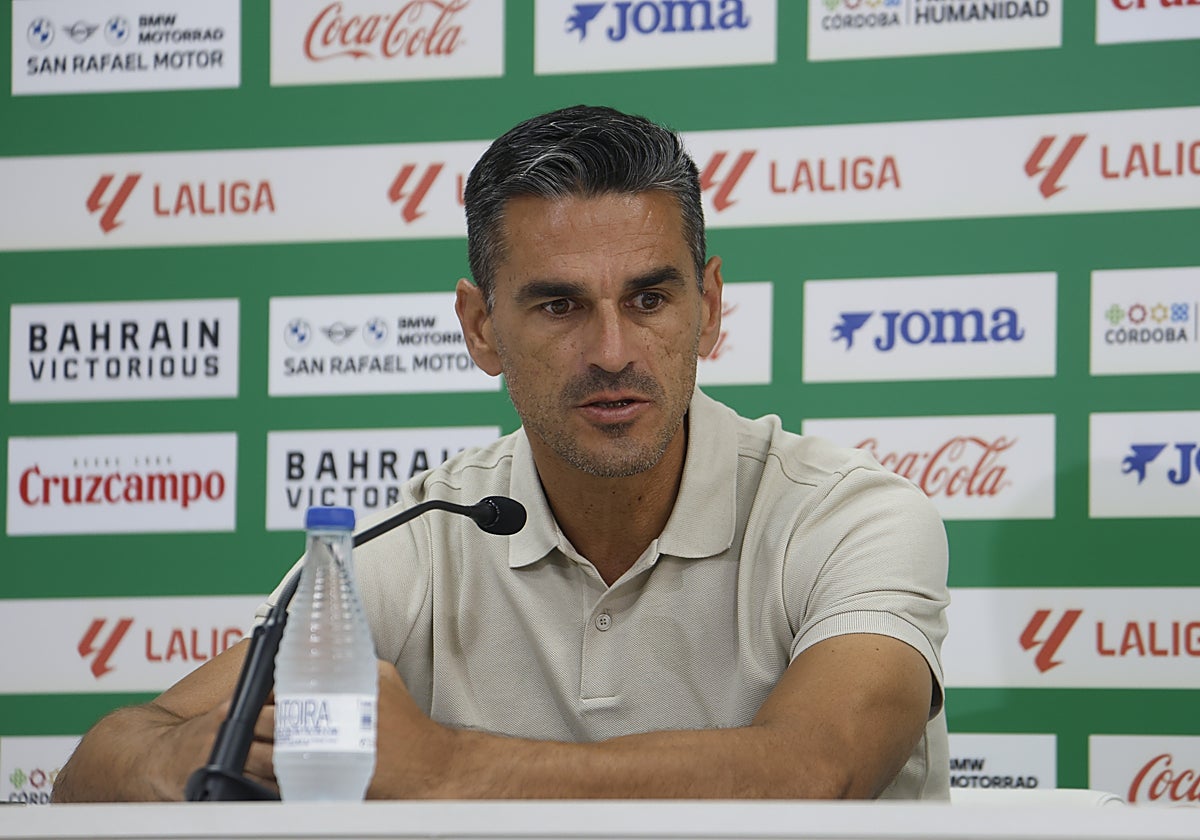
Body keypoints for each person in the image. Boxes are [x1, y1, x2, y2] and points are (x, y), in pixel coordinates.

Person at [53, 104, 950, 802]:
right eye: (559, 306)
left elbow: (816, 768)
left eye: (648, 300)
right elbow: (100, 767)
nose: (610, 352)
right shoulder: (421, 534)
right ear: (482, 328)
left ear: (708, 307)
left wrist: (442, 768)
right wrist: (202, 755)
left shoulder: (849, 517)